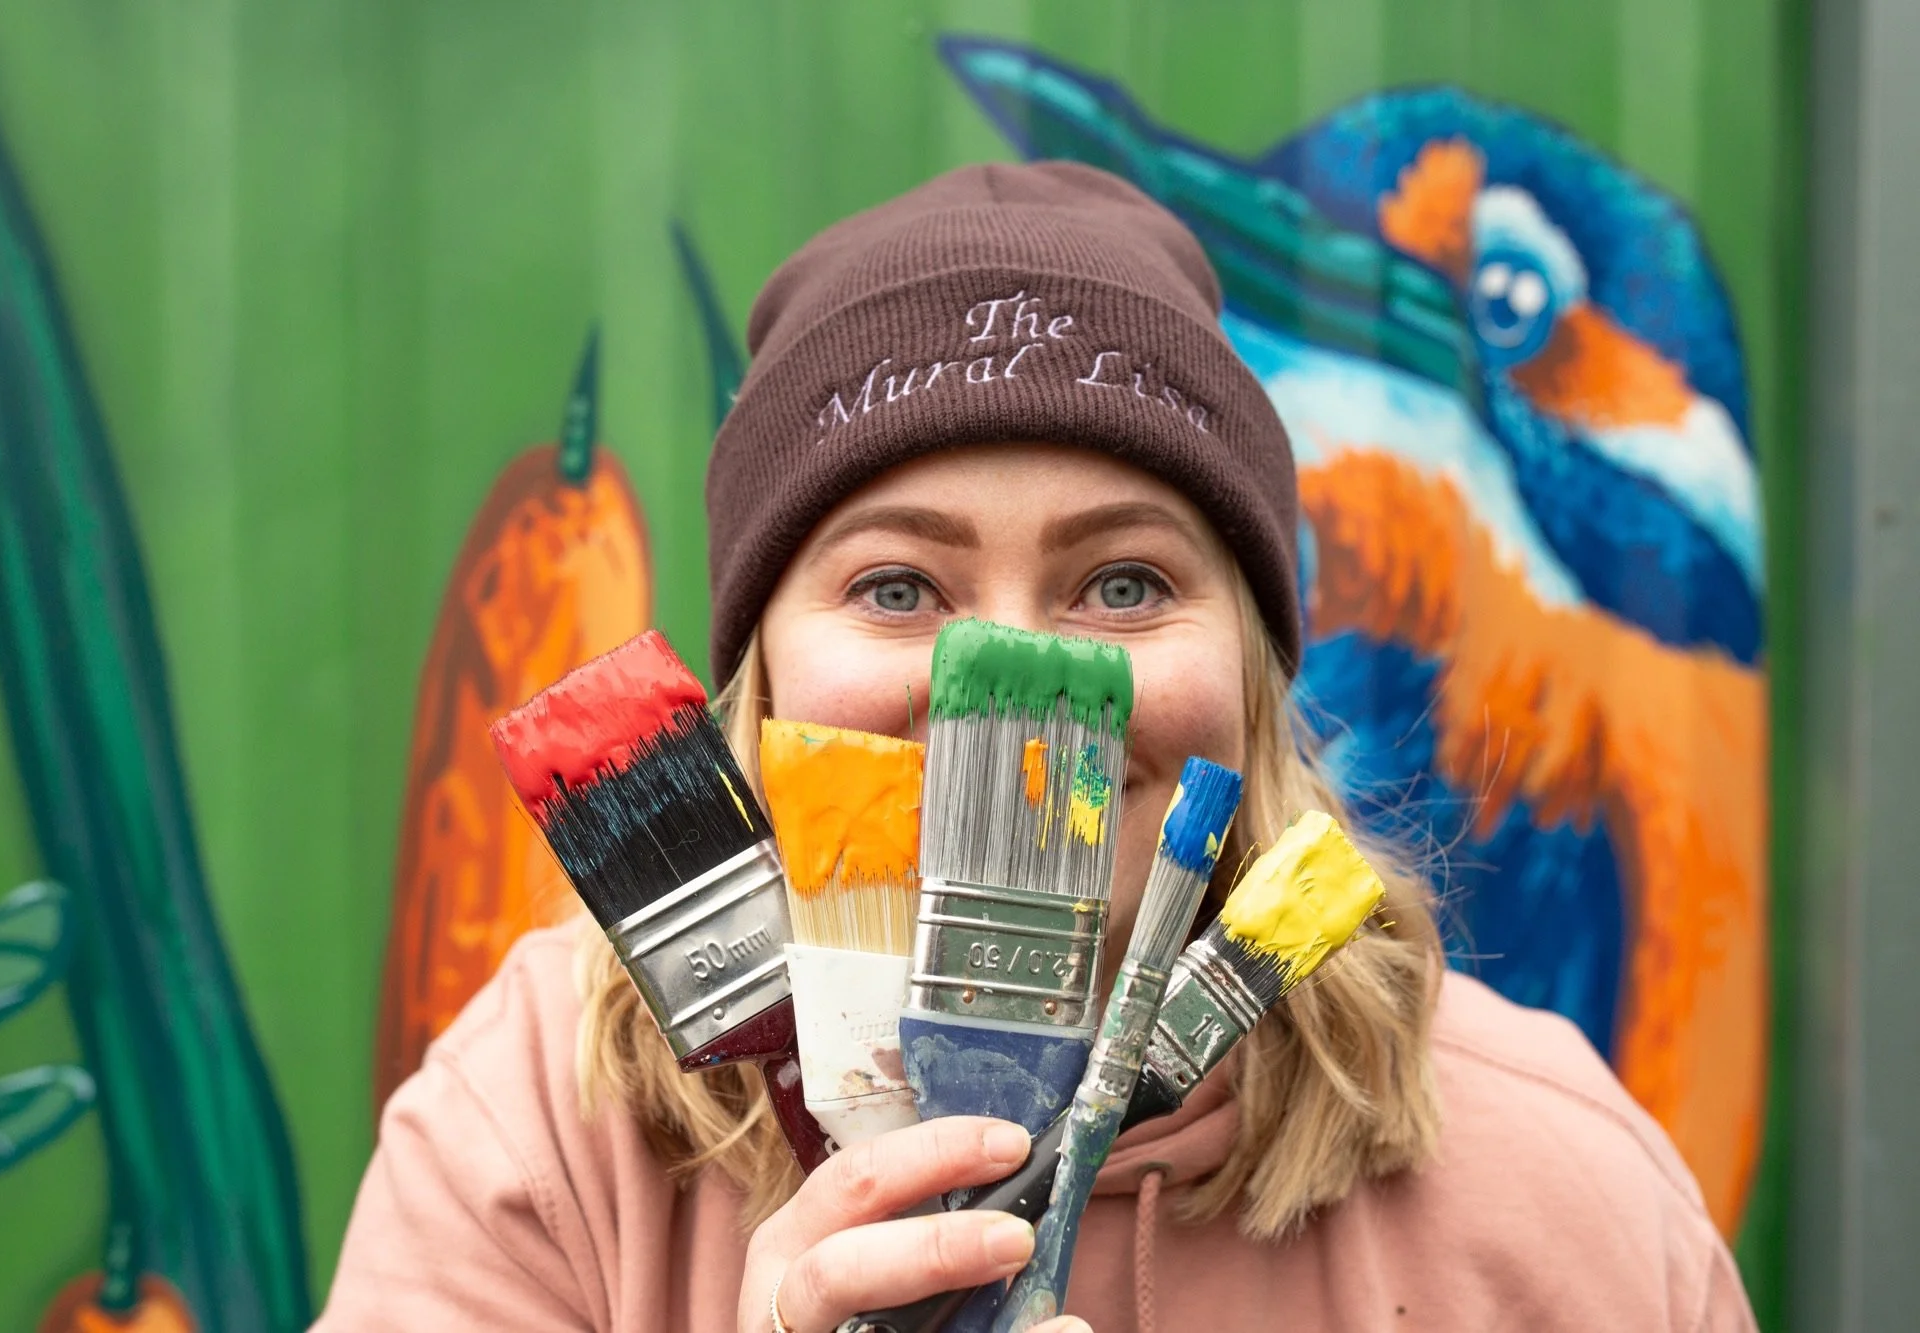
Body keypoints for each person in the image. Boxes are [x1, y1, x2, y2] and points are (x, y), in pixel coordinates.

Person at [316, 162, 1754, 1332]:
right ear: (761, 681)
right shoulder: (538, 1133)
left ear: (1254, 679)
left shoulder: (1559, 1185)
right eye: (898, 589)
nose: (1002, 685)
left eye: (1122, 584)